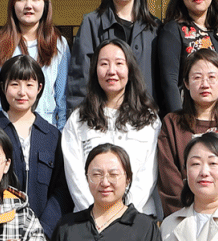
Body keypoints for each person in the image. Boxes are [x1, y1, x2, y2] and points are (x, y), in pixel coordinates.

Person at [60, 40, 162, 215]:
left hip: (137, 217)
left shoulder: (149, 120)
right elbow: (75, 176)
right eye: (104, 64)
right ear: (94, 70)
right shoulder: (78, 119)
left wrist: (123, 214)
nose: (111, 71)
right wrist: (97, 214)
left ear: (130, 69)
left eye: (119, 63)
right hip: (89, 220)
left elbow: (148, 174)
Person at [154, 48, 218, 213]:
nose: (205, 84)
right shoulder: (172, 124)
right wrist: (189, 217)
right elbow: (169, 182)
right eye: (197, 77)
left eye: (212, 77)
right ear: (186, 83)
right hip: (184, 218)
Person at [69, 0, 160, 114]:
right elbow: (80, 79)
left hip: (145, 118)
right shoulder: (92, 24)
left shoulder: (154, 27)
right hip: (101, 118)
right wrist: (80, 118)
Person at [0, 53, 70, 241]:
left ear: (39, 88)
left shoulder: (52, 136)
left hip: (43, 237)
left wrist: (43, 230)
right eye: (15, 84)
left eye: (29, 85)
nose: (22, 92)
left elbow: (62, 189)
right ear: (3, 87)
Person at [0, 0, 70, 129]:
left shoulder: (58, 44)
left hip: (45, 127)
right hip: (5, 128)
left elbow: (63, 95)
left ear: (45, 4)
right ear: (12, 4)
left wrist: (62, 131)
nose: (28, 5)